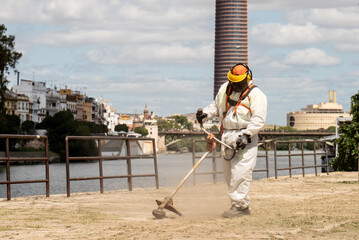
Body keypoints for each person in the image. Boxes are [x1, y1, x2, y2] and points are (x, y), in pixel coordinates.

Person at [196, 63, 267, 218]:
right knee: (229, 172)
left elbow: (258, 119)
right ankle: (236, 203)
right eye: (233, 82)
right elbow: (216, 106)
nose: (235, 85)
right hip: (226, 134)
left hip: (245, 136)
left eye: (238, 83)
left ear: (247, 78)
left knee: (241, 171)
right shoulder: (225, 89)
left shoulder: (256, 95)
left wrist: (247, 135)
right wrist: (205, 114)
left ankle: (241, 206)